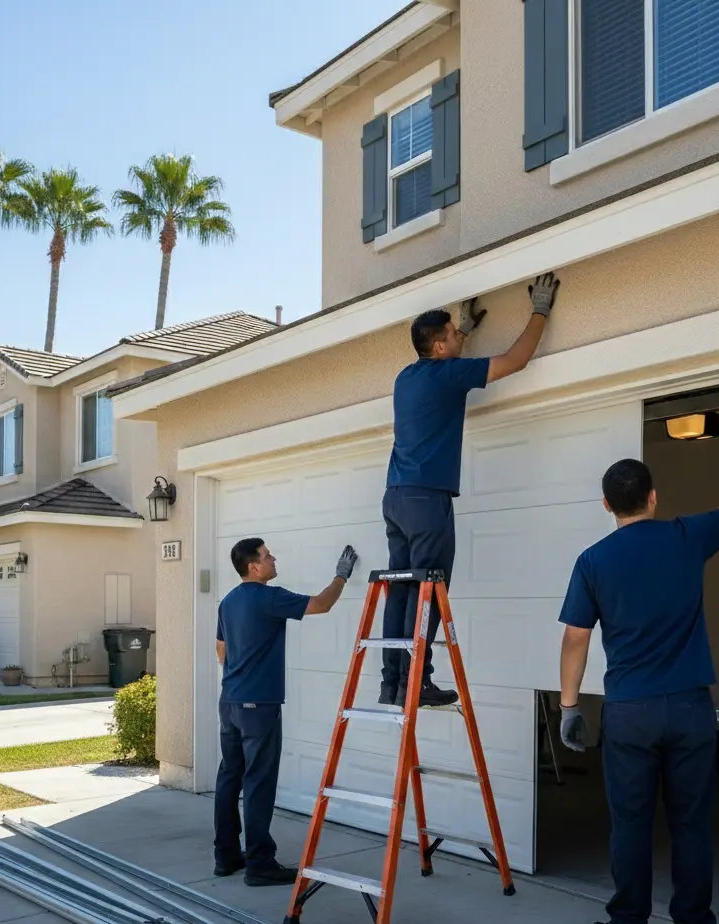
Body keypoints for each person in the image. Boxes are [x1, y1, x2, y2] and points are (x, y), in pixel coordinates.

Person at [557, 422, 719, 924]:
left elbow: (576, 639)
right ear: (653, 497)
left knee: (629, 824)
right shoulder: (686, 535)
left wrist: (568, 708)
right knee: (691, 824)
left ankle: (629, 917)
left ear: (607, 506)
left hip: (629, 713)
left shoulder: (592, 561)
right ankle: (693, 918)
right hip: (691, 708)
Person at [379, 272, 560, 708]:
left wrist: (463, 327)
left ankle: (392, 684)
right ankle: (417, 682)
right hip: (427, 500)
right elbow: (514, 360)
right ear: (439, 347)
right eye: (451, 337)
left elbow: (447, 348)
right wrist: (539, 310)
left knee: (402, 590)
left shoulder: (407, 376)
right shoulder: (447, 375)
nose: (458, 340)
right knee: (430, 590)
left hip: (396, 499)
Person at [214, 538, 359, 886]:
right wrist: (342, 576)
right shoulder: (268, 597)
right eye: (267, 555)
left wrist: (241, 677)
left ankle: (226, 856)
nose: (274, 558)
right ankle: (260, 865)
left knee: (229, 778)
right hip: (258, 705)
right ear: (254, 566)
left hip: (230, 702)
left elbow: (222, 650)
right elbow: (322, 605)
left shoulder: (228, 601)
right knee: (258, 782)